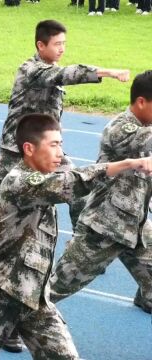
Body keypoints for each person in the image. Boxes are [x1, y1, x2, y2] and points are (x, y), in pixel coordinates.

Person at [0, 113, 152, 360]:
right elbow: (71, 183)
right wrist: (127, 164)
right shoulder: (20, 182)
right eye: (53, 145)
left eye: (61, 144)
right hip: (1, 296)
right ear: (29, 149)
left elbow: (73, 185)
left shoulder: (43, 175)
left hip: (36, 299)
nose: (60, 153)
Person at [0, 19, 130, 265]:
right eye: (57, 44)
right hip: (16, 149)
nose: (62, 49)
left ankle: (79, 249)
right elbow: (65, 74)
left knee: (78, 191)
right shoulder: (31, 70)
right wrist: (108, 72)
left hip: (47, 149)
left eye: (64, 43)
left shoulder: (49, 69)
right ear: (41, 45)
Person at [49, 70, 152, 314]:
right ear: (141, 102)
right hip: (105, 226)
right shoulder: (121, 129)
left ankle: (147, 297)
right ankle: (15, 322)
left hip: (135, 223)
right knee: (59, 285)